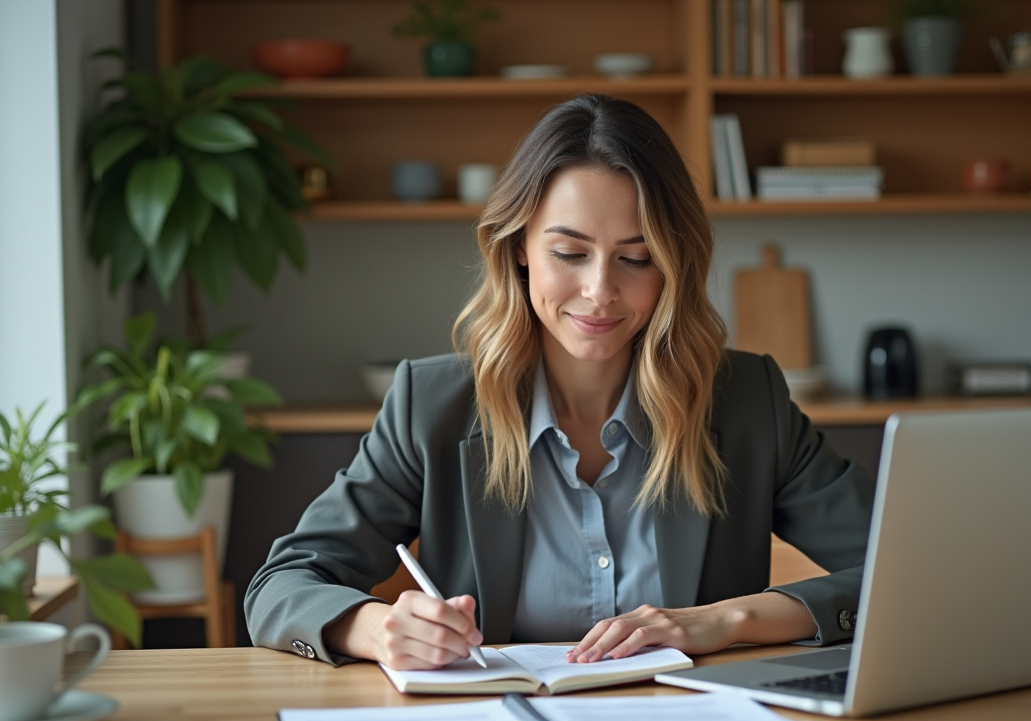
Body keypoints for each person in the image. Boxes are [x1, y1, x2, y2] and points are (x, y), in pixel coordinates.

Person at [245, 94, 874, 670]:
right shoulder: (431, 406)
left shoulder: (745, 401)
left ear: (675, 264)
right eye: (569, 253)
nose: (600, 292)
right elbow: (280, 586)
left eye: (637, 257)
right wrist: (376, 627)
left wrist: (729, 619)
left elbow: (907, 566)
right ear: (518, 246)